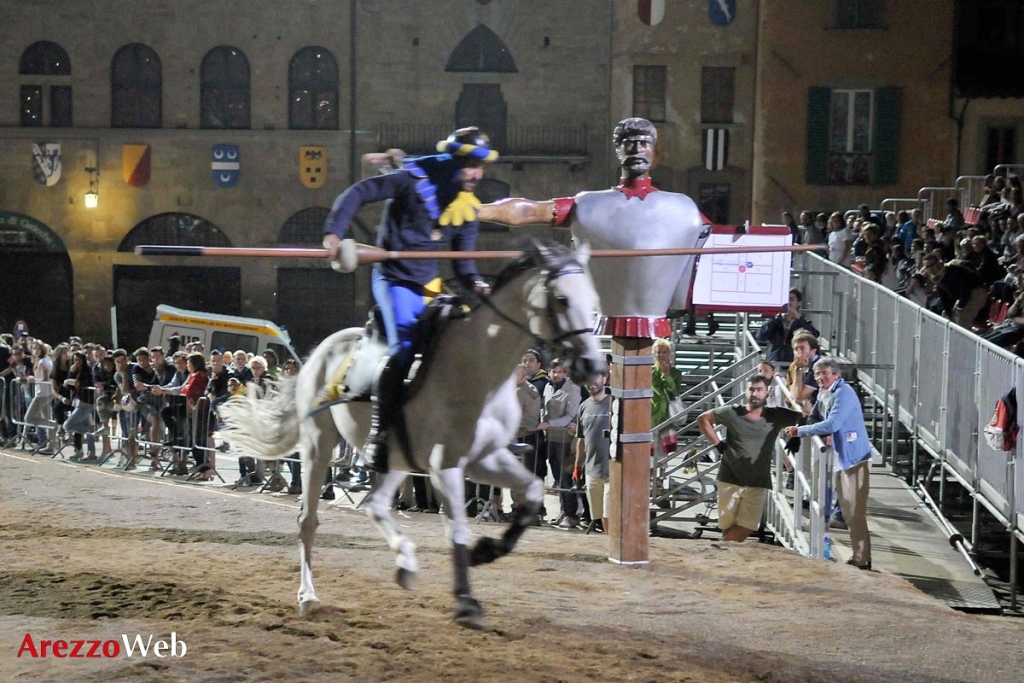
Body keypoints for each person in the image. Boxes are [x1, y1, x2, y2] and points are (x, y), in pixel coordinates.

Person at [320, 126, 497, 472]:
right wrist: (333, 232)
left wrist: (476, 283)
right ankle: (379, 435)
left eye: (480, 167)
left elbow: (463, 263)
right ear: (452, 161)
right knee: (403, 347)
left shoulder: (465, 203)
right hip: (393, 278)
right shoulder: (410, 180)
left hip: (429, 283)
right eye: (470, 166)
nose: (476, 174)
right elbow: (358, 192)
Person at [478, 117, 709, 321]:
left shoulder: (682, 207)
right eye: (629, 144)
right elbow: (530, 211)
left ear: (654, 150)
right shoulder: (588, 204)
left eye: (644, 143)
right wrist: (474, 212)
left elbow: (718, 238)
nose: (637, 149)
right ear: (618, 149)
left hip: (655, 316)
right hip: (609, 314)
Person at [784, 358, 873, 570]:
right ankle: (859, 557)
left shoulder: (844, 393)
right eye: (817, 375)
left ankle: (863, 559)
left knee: (854, 512)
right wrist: (800, 432)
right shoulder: (825, 393)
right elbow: (815, 416)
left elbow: (833, 423)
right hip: (841, 459)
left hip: (854, 459)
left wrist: (801, 431)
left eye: (825, 373)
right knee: (847, 509)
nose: (820, 378)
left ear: (836, 375)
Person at [697, 375, 803, 542]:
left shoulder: (776, 415)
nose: (755, 393)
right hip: (729, 477)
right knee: (727, 526)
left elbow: (803, 416)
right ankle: (725, 561)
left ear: (767, 393)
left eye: (759, 389)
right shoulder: (733, 412)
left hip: (758, 480)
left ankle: (720, 550)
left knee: (748, 526)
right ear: (745, 392)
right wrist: (718, 445)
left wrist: (798, 434)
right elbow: (703, 419)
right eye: (751, 389)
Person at [541, 358, 582, 529]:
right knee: (557, 476)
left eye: (559, 372)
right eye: (553, 372)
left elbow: (570, 415)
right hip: (551, 438)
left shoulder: (572, 388)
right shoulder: (548, 387)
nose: (555, 375)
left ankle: (572, 514)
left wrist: (551, 424)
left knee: (565, 477)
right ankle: (563, 510)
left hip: (565, 439)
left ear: (565, 373)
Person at [574, 369, 612, 534]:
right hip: (591, 470)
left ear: (604, 378)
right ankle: (609, 546)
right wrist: (577, 466)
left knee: (609, 514)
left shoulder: (615, 403)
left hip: (612, 470)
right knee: (599, 516)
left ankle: (615, 549)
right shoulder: (583, 407)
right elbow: (581, 440)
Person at [755, 288, 820, 364]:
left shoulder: (802, 323)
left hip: (794, 362)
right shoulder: (775, 320)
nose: (788, 303)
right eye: (786, 300)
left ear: (798, 303)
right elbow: (760, 336)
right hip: (774, 362)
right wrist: (775, 318)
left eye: (791, 299)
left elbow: (814, 335)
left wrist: (799, 318)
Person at [651, 337, 685, 454]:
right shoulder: (649, 372)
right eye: (658, 352)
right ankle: (651, 472)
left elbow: (675, 392)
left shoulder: (676, 372)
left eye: (664, 352)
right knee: (650, 451)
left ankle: (663, 472)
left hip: (669, 415)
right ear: (654, 354)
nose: (661, 355)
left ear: (669, 354)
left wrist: (667, 376)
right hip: (652, 414)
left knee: (666, 451)